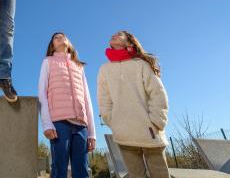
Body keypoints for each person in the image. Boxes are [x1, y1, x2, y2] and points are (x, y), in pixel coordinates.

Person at [97, 30, 170, 178]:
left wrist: (157, 121)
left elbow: (158, 94)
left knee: (160, 174)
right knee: (135, 175)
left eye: (120, 34)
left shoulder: (141, 64)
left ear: (129, 42)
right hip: (124, 133)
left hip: (150, 131)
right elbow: (104, 100)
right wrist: (113, 122)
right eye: (113, 34)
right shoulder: (105, 69)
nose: (114, 35)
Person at [38, 32, 96, 178]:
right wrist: (47, 124)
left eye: (63, 36)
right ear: (52, 46)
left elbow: (87, 99)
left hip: (81, 126)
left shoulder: (79, 66)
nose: (60, 38)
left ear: (69, 43)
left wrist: (92, 133)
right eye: (56, 37)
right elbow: (42, 93)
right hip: (59, 124)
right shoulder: (48, 61)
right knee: (59, 169)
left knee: (82, 170)